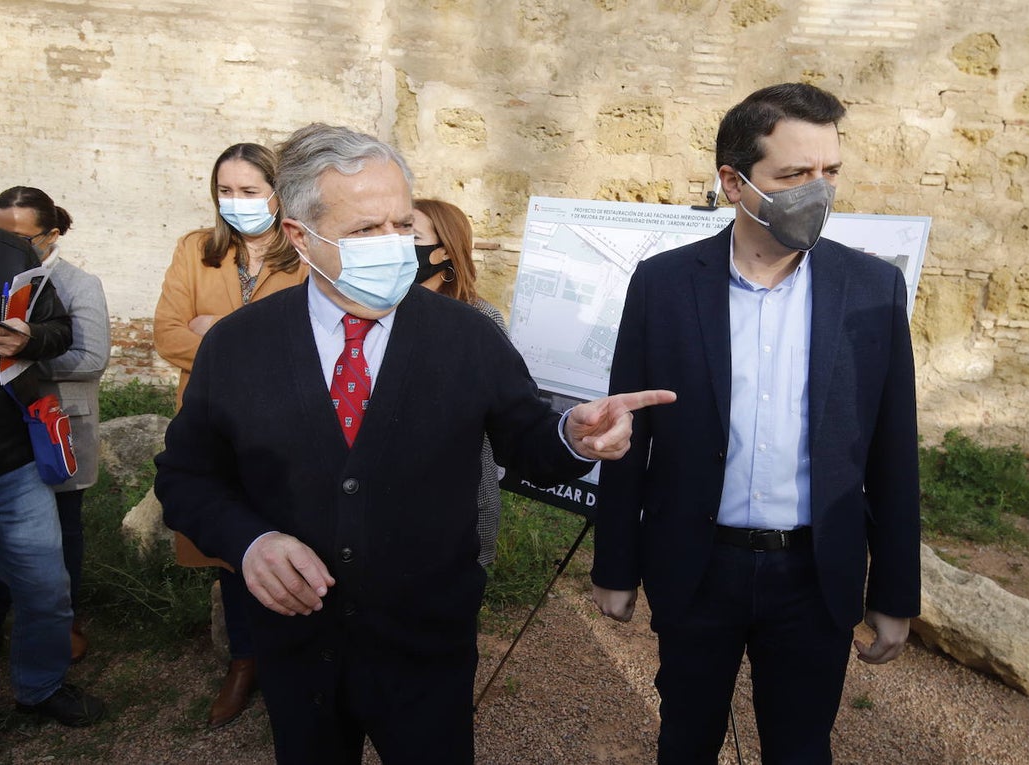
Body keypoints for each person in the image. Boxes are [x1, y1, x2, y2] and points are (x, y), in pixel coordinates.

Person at [154, 122, 674, 765]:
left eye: (402, 223)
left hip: (427, 648)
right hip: (297, 651)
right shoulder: (237, 346)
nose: (395, 245)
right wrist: (250, 542)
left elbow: (527, 439)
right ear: (299, 236)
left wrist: (572, 434)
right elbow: (186, 478)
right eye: (366, 230)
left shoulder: (467, 336)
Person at [591, 83, 921, 764]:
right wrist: (615, 565)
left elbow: (892, 452)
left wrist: (893, 589)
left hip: (813, 572)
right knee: (686, 737)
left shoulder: (871, 290)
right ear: (733, 182)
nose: (818, 191)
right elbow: (627, 431)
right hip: (697, 565)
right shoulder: (663, 284)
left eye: (830, 172)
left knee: (801, 748)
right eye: (795, 174)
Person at [153, 142, 308, 729]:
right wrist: (246, 344)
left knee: (293, 535)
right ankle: (244, 661)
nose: (237, 202)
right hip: (211, 427)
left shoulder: (303, 251)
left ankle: (295, 659)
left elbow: (305, 347)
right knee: (231, 548)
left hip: (285, 428)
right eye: (226, 191)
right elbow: (167, 335)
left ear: (278, 193)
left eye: (250, 190)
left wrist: (216, 335)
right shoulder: (196, 249)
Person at [0, 186, 111, 665]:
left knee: (61, 534)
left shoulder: (77, 283)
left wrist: (22, 356)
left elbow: (91, 357)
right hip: (9, 432)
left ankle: (64, 626)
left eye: (25, 238)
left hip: (55, 425)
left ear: (52, 235)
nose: (15, 247)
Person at [411, 197, 506, 566]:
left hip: (462, 497)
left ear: (444, 252)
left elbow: (497, 417)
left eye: (412, 235)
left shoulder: (481, 319)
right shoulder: (377, 312)